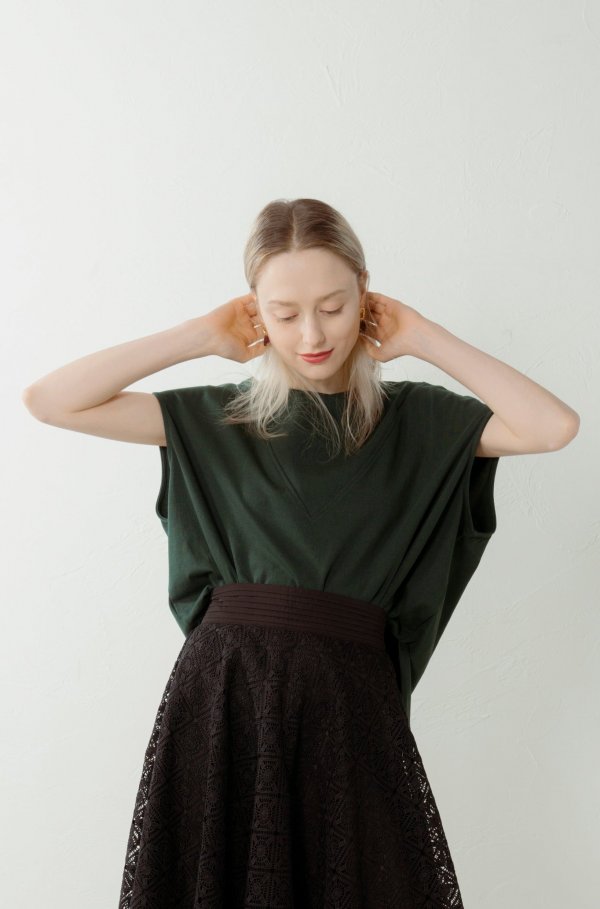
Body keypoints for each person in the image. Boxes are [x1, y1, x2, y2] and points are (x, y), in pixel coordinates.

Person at [22, 198, 579, 908]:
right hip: (226, 697)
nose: (312, 334)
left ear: (365, 296)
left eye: (333, 307)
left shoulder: (419, 420)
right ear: (254, 311)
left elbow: (552, 426)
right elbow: (50, 400)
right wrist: (200, 335)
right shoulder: (216, 417)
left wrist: (422, 335)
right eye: (284, 313)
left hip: (349, 701)